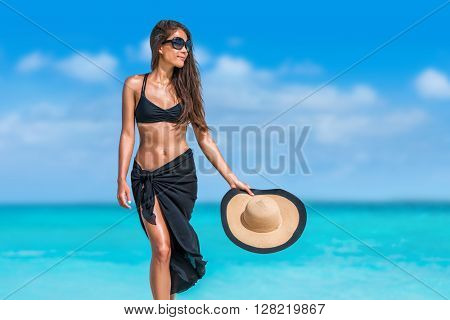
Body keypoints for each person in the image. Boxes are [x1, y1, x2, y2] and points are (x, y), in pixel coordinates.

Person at [116, 19, 254, 300]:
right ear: (159, 46)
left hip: (181, 179)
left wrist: (231, 178)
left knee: (174, 251)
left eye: (187, 45)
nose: (184, 50)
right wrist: (120, 178)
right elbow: (128, 134)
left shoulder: (187, 90)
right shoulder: (134, 85)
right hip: (146, 177)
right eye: (177, 43)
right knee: (162, 248)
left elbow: (204, 137)